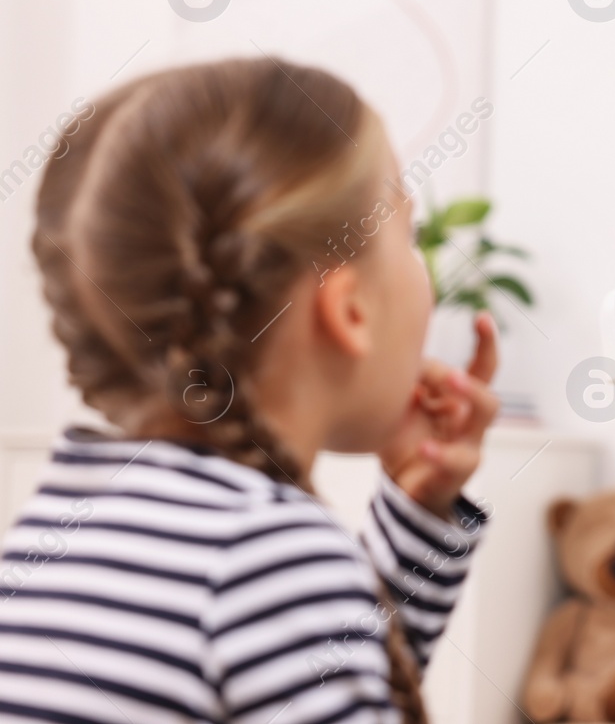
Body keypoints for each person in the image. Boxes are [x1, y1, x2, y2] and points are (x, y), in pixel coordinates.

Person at [0, 57, 500, 723]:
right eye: (406, 233)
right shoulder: (266, 557)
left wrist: (418, 509)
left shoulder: (55, 532)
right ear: (349, 311)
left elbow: (316, 675)